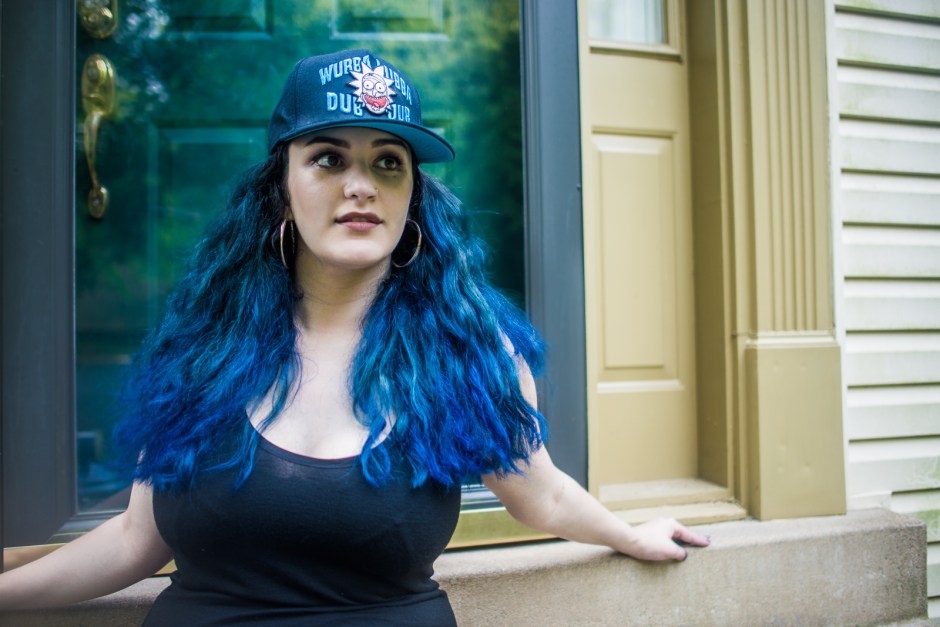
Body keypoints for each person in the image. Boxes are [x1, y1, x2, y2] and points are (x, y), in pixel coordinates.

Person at [0, 49, 708, 625]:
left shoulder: (467, 353)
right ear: (281, 186)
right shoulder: (201, 350)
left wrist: (630, 533)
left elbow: (542, 495)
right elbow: (135, 539)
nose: (361, 185)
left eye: (387, 162)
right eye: (329, 159)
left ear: (412, 195)